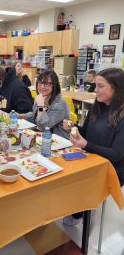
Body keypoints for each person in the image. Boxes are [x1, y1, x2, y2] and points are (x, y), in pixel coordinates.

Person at [63, 68, 124, 225]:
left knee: (79, 181)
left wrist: (87, 145)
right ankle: (75, 208)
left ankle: (84, 214)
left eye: (100, 86)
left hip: (112, 168)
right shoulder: (98, 106)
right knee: (64, 172)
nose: (95, 89)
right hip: (92, 158)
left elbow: (116, 154)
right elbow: (85, 132)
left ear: (115, 88)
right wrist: (73, 127)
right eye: (95, 85)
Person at [19, 70, 70, 138]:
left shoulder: (59, 104)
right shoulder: (42, 97)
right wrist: (20, 116)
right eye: (39, 83)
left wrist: (41, 105)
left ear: (54, 85)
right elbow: (36, 115)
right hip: (43, 136)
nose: (42, 86)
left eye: (46, 84)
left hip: (59, 141)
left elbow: (45, 126)